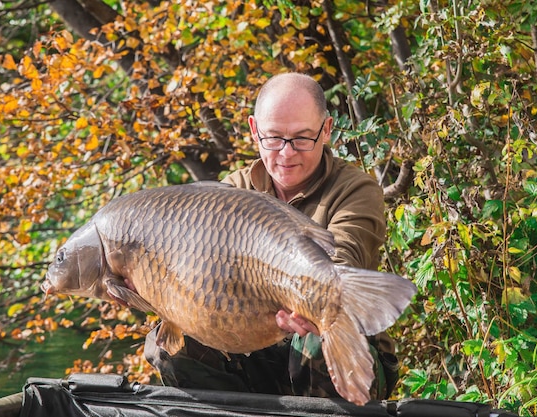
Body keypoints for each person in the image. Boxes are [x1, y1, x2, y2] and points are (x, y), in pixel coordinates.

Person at [144, 72, 399, 400]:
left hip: (330, 344)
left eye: (302, 138)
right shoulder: (231, 192)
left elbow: (342, 258)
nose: (286, 153)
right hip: (252, 342)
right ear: (254, 131)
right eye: (274, 138)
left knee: (316, 336)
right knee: (170, 344)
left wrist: (298, 296)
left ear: (327, 130)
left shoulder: (356, 190)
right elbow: (193, 274)